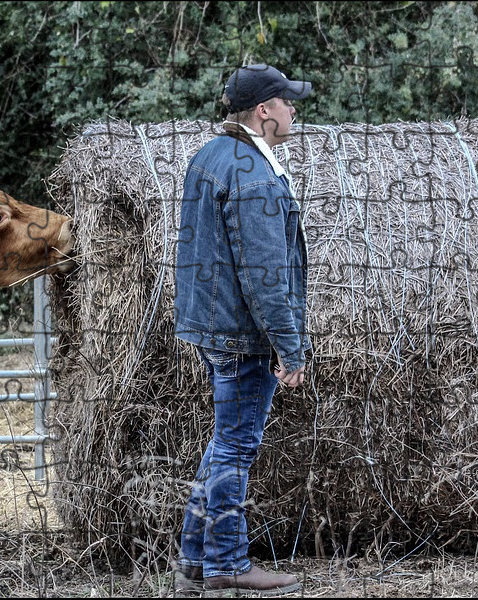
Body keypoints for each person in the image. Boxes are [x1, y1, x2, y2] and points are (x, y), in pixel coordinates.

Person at [172, 64, 312, 597]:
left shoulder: (211, 155)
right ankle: (227, 564)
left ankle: (194, 562)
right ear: (263, 110)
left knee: (224, 443)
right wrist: (290, 348)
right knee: (235, 447)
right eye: (287, 101)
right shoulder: (253, 174)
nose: (293, 109)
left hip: (214, 327)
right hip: (242, 334)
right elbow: (264, 275)